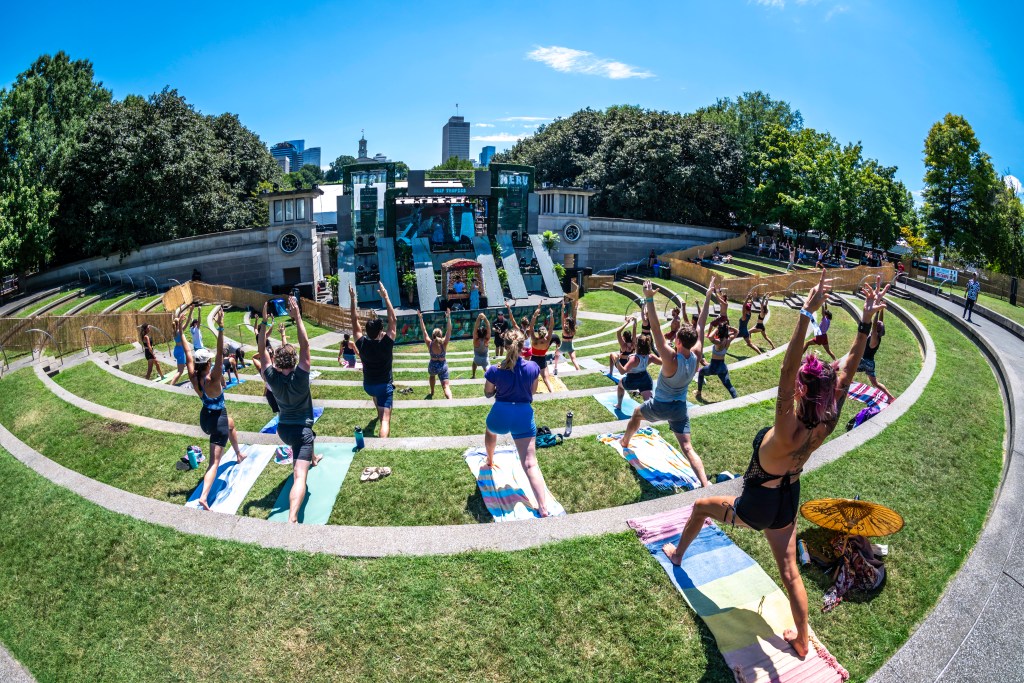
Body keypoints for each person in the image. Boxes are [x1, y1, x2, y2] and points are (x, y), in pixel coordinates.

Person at [661, 270, 890, 658]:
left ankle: (678, 554)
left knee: (700, 507)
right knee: (789, 571)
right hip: (788, 496)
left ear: (801, 388)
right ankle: (801, 639)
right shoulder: (828, 420)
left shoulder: (787, 426)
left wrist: (806, 313)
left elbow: (787, 369)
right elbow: (849, 367)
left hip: (759, 503)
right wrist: (864, 323)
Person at [620, 278, 718, 488]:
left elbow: (655, 328)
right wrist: (708, 295)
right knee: (687, 448)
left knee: (636, 413)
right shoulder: (696, 355)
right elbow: (701, 324)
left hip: (660, 406)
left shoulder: (670, 358)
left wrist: (648, 299)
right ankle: (704, 483)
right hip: (679, 408)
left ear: (678, 341)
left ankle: (625, 442)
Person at [257, 296, 318, 524]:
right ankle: (292, 517)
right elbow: (306, 345)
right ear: (294, 360)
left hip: (283, 430)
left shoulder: (271, 377)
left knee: (307, 441)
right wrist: (298, 317)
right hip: (301, 432)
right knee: (299, 476)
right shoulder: (301, 375)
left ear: (276, 362)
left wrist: (264, 323)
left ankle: (313, 457)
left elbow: (261, 349)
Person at [482, 328, 551, 517]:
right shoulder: (533, 367)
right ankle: (543, 507)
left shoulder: (494, 369)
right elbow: (532, 393)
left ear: (505, 346)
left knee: (490, 430)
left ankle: (490, 460)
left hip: (500, 414)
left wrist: (499, 388)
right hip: (523, 416)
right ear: (522, 346)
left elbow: (488, 393)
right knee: (530, 464)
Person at [185, 308, 243, 511]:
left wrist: (180, 332)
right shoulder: (214, 377)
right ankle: (203, 497)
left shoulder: (194, 377)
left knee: (231, 424)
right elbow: (220, 353)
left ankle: (238, 454)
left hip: (206, 419)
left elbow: (188, 354)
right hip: (217, 421)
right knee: (214, 462)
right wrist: (220, 327)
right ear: (208, 363)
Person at [351, 282, 397, 438]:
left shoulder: (361, 343)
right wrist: (386, 297)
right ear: (380, 331)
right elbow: (393, 320)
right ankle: (381, 444)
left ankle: (379, 412)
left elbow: (354, 322)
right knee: (386, 420)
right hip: (384, 385)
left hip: (369, 386)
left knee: (376, 397)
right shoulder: (386, 343)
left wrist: (353, 299)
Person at [857, 309, 895, 402]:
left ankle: (841, 384)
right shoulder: (878, 336)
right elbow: (880, 322)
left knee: (848, 368)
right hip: (870, 363)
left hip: (864, 361)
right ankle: (890, 397)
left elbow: (874, 325)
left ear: (876, 329)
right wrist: (882, 310)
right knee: (875, 383)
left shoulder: (874, 337)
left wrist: (876, 312)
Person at [696, 323, 739, 402]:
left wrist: (717, 329)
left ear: (719, 331)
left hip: (713, 367)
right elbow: (737, 331)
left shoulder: (719, 342)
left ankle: (699, 392)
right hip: (722, 366)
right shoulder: (728, 340)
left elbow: (710, 337)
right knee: (728, 385)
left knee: (701, 372)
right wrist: (729, 327)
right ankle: (737, 400)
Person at [615, 334, 660, 411]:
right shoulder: (651, 357)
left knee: (620, 384)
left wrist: (617, 361)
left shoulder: (634, 359)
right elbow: (663, 362)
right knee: (649, 404)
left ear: (637, 345)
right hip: (645, 379)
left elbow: (622, 371)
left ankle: (619, 405)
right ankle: (654, 412)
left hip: (632, 380)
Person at [418, 310, 453, 400]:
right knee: (446, 386)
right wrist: (448, 317)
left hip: (432, 366)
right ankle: (450, 400)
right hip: (443, 366)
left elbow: (424, 330)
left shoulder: (429, 343)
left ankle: (432, 391)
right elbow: (449, 329)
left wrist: (421, 318)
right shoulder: (444, 343)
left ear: (433, 335)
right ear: (441, 335)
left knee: (432, 376)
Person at [528, 305, 556, 393]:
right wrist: (551, 315)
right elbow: (551, 326)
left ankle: (530, 393)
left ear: (538, 332)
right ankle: (552, 393)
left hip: (534, 359)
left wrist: (534, 315)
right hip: (542, 359)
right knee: (546, 379)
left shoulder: (535, 340)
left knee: (533, 378)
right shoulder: (547, 340)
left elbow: (531, 327)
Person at [560, 299, 581, 371]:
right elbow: (574, 318)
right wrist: (575, 309)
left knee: (556, 354)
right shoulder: (573, 330)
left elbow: (562, 318)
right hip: (570, 346)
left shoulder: (564, 329)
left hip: (563, 347)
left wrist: (562, 308)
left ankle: (555, 368)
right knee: (574, 360)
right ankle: (579, 371)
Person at [169, 311, 189, 385]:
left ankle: (192, 377)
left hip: (177, 350)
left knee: (187, 364)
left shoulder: (174, 331)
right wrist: (188, 317)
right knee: (180, 371)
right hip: (181, 351)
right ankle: (171, 385)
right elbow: (186, 324)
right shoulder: (179, 331)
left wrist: (181, 319)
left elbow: (181, 325)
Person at [472, 313, 491, 379]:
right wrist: (485, 318)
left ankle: (473, 375)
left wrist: (478, 317)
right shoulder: (487, 339)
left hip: (477, 359)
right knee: (488, 371)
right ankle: (490, 377)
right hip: (485, 359)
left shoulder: (476, 340)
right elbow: (488, 326)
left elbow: (475, 327)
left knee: (474, 362)